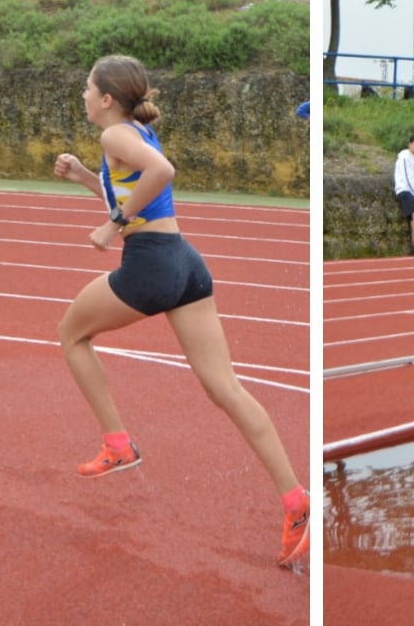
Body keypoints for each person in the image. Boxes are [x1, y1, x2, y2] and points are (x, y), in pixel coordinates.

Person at [53, 55, 309, 567]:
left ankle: (118, 444)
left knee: (71, 335)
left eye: (87, 88)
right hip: (186, 264)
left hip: (151, 266)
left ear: (106, 98)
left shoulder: (115, 136)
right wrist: (86, 178)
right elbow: (141, 189)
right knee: (226, 389)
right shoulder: (133, 136)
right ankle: (296, 502)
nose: (82, 95)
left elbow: (162, 175)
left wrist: (112, 225)